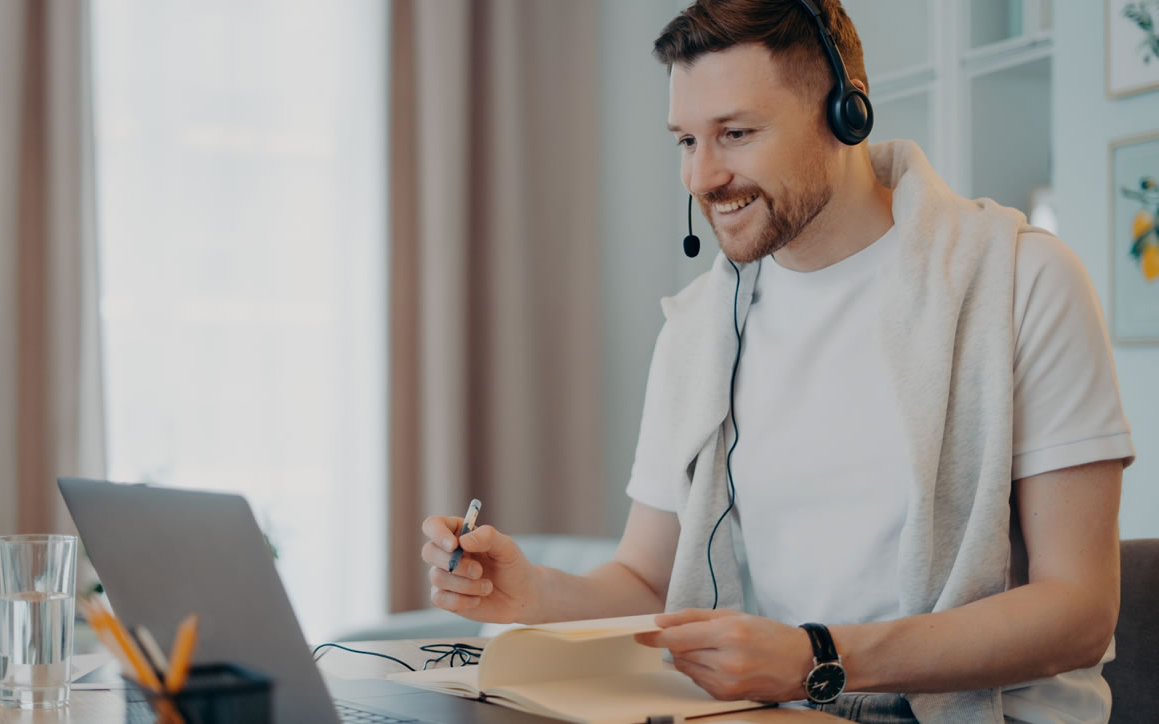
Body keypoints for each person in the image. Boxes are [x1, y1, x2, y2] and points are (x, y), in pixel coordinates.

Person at [421, 1, 1134, 722]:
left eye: (735, 134)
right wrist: (534, 594)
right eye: (686, 140)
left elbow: (1079, 610)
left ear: (846, 114)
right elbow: (647, 580)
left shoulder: (1022, 282)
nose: (702, 176)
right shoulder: (697, 332)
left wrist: (816, 658)